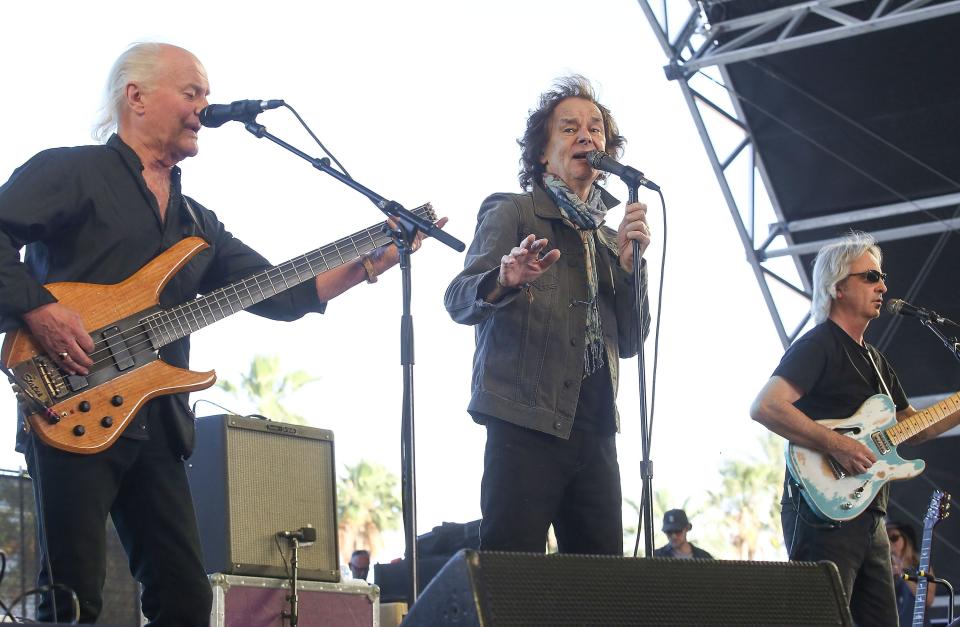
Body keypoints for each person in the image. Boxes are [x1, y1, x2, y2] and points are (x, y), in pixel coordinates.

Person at [0, 42, 441, 625]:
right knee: (73, 595)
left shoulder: (197, 222)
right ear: (136, 96)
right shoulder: (70, 170)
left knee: (183, 599)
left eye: (205, 95)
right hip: (71, 403)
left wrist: (369, 261)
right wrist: (39, 310)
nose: (204, 107)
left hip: (156, 423)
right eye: (192, 92)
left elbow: (280, 292)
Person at [444, 76, 651, 555]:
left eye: (596, 129)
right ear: (542, 151)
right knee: (513, 577)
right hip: (525, 424)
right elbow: (457, 299)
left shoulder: (607, 238)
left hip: (597, 428)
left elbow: (634, 341)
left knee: (601, 590)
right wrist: (505, 278)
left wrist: (630, 268)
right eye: (570, 128)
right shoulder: (514, 211)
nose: (587, 137)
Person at [750, 231, 960, 626]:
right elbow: (766, 406)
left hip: (869, 515)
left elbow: (912, 430)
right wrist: (837, 445)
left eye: (882, 279)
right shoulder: (819, 345)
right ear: (837, 286)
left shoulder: (877, 362)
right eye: (870, 277)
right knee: (821, 619)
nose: (882, 286)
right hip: (821, 512)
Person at [887, 520, 935, 626]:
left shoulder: (921, 566)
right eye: (886, 538)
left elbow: (928, 600)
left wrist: (904, 576)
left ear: (905, 539)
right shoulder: (882, 568)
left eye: (894, 538)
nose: (889, 543)